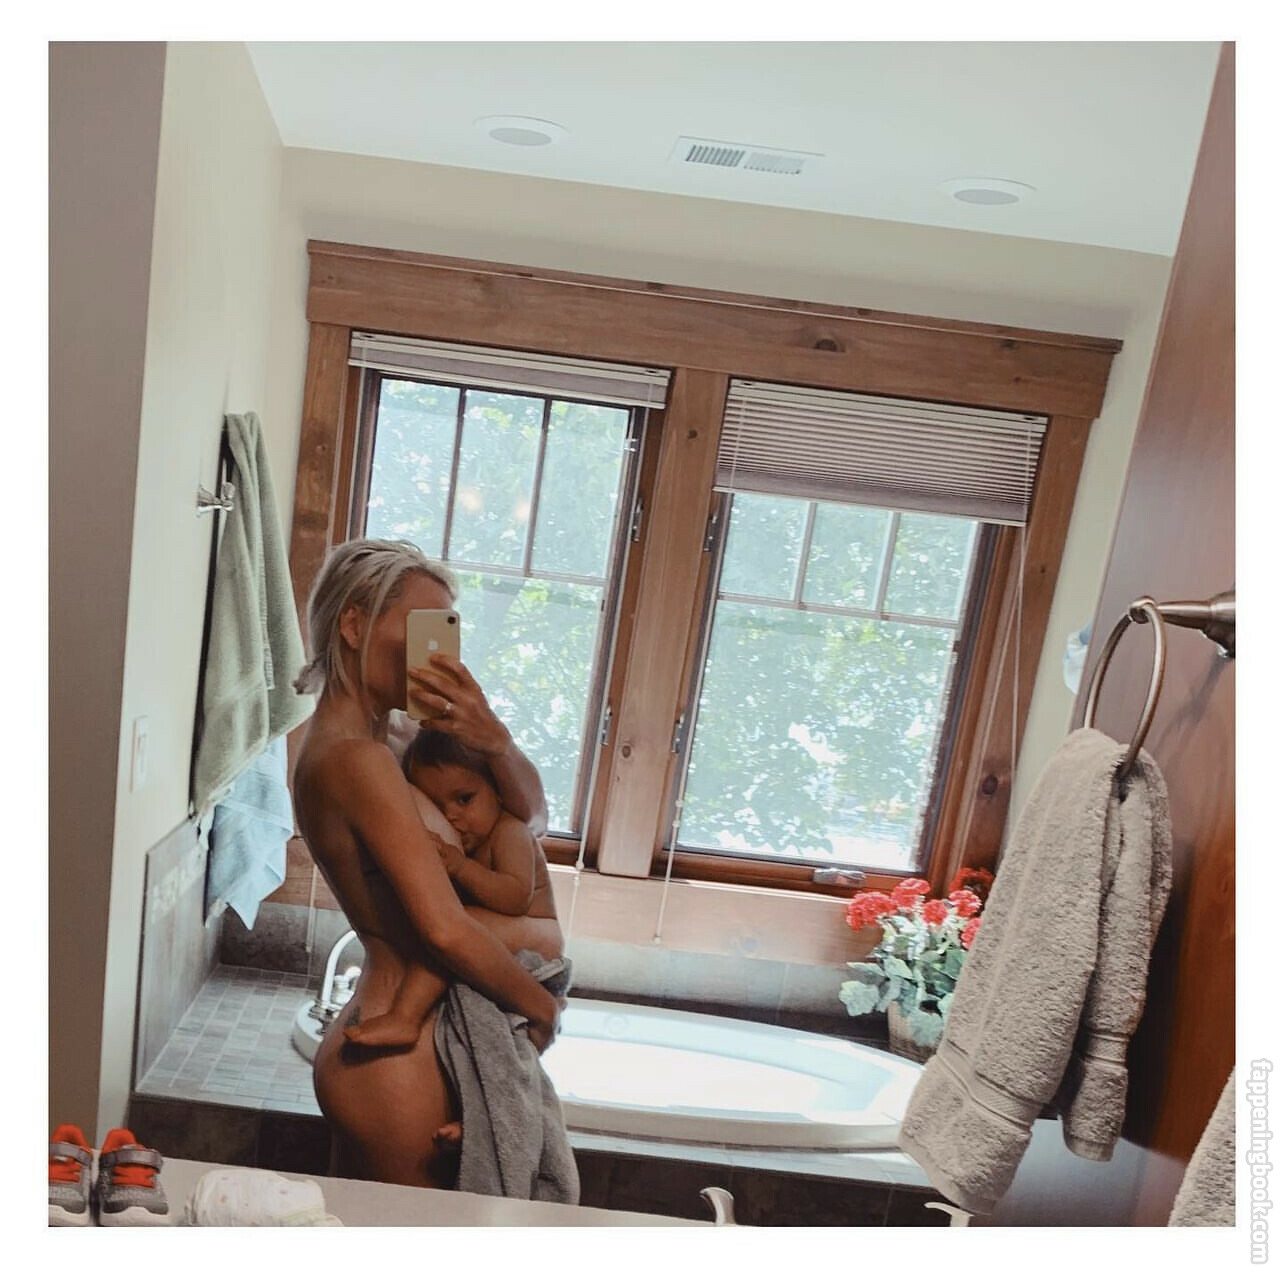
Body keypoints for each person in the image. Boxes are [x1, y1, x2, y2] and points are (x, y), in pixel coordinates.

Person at [291, 538, 564, 1188]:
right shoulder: (360, 759)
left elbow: (529, 817)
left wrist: (494, 739)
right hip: (398, 1071)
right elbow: (442, 928)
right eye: (421, 629)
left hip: (392, 1049)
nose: (435, 653)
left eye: (444, 632)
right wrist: (542, 1007)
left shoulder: (385, 742)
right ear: (353, 625)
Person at [343, 729, 557, 1049]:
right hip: (510, 937)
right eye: (436, 806)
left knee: (456, 929)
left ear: (498, 791)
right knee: (451, 931)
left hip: (540, 939)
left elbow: (515, 897)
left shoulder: (510, 832)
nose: (451, 815)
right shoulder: (477, 840)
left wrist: (459, 867)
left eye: (464, 799)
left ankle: (405, 1018)